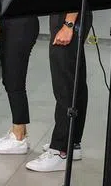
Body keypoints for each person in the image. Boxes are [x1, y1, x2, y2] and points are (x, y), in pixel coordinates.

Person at [26, 11, 91, 171]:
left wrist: (68, 24)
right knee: (75, 81)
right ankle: (72, 143)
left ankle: (59, 151)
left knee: (64, 85)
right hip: (72, 17)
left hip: (68, 18)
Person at [0, 15, 40, 154]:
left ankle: (18, 136)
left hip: (21, 22)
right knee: (9, 78)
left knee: (14, 78)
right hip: (8, 20)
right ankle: (20, 131)